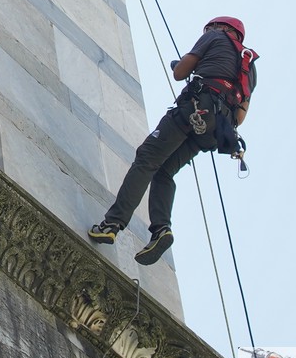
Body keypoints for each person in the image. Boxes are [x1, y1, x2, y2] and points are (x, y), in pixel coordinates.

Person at [88, 16, 258, 265]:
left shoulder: (215, 36)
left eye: (208, 28)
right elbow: (240, 117)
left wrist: (183, 65)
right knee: (164, 171)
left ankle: (112, 224)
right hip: (217, 130)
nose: (206, 31)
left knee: (147, 158)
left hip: (195, 109)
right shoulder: (250, 65)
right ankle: (161, 230)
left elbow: (180, 73)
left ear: (220, 27)